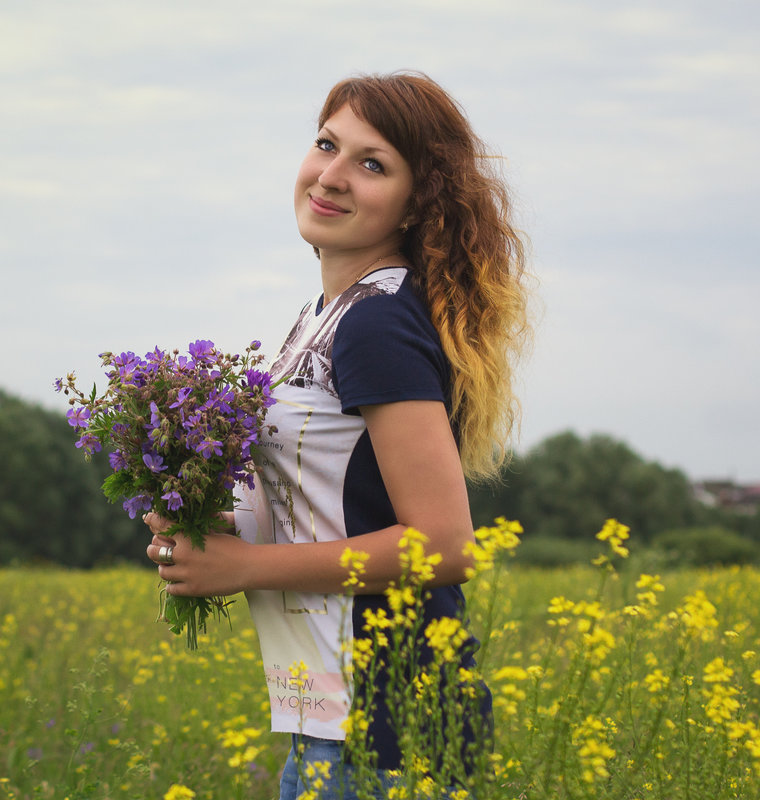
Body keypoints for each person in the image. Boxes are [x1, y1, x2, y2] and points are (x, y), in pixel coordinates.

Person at [144, 72, 531, 799]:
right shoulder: (324, 315)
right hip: (335, 717)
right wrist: (207, 531)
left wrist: (243, 569)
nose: (332, 175)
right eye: (327, 145)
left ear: (418, 204)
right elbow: (333, 503)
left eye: (371, 163)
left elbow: (444, 545)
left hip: (386, 728)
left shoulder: (375, 325)